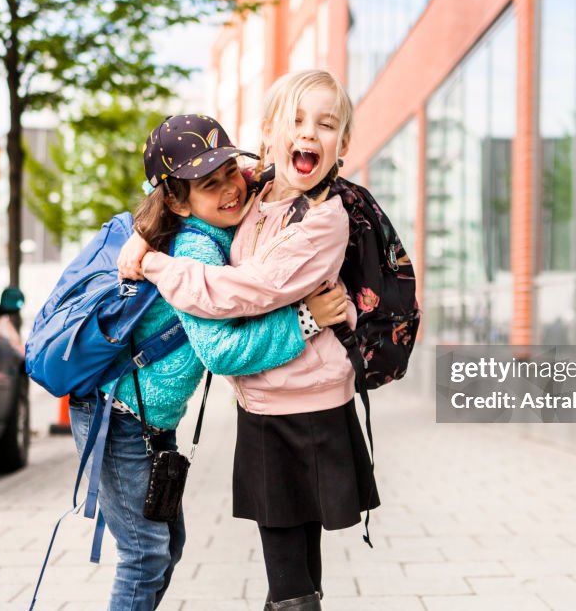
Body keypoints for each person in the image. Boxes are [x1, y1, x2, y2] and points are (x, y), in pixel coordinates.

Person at [118, 71, 378, 611]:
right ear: (268, 135)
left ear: (343, 145)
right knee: (291, 568)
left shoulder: (321, 217)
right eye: (296, 122)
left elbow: (250, 289)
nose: (230, 187)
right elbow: (178, 204)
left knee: (291, 570)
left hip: (305, 404)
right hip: (259, 404)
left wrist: (155, 263)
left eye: (326, 125)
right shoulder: (262, 189)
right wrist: (146, 234)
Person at [69, 113, 349, 611]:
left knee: (163, 549)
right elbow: (221, 352)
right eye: (208, 185)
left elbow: (267, 176)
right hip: (117, 416)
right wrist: (305, 319)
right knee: (145, 556)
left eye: (230, 174)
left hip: (148, 421)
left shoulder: (214, 225)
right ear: (177, 199)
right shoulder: (196, 247)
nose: (230, 191)